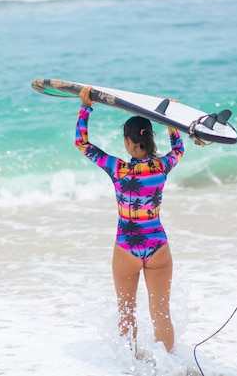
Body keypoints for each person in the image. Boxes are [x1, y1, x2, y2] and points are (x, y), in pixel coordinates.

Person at [75, 86, 185, 354]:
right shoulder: (162, 167)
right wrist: (171, 119)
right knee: (161, 313)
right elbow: (179, 148)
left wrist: (86, 107)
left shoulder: (118, 169)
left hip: (127, 247)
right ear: (149, 139)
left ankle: (130, 368)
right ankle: (168, 368)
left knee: (126, 313)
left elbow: (82, 144)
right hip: (158, 246)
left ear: (127, 141)